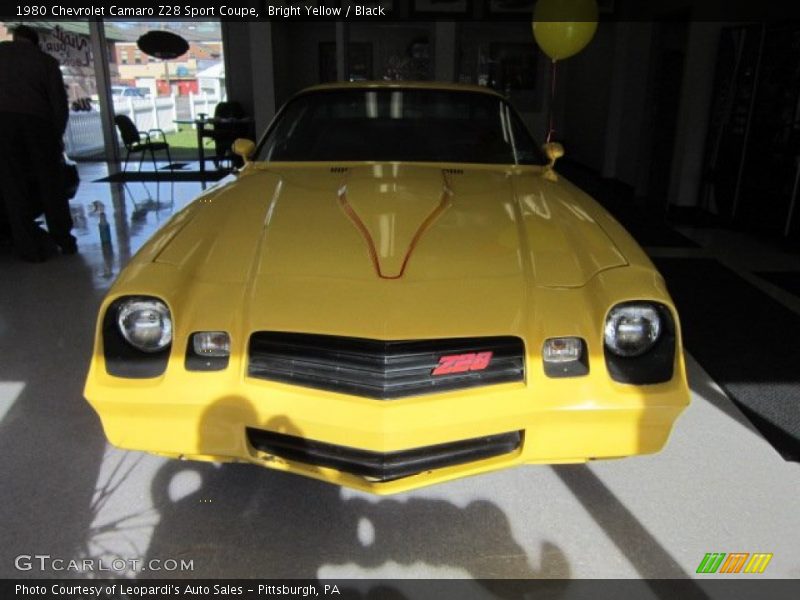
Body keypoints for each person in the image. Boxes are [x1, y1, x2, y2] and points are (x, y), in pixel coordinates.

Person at [0, 25, 76, 261]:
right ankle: (63, 238)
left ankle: (28, 247)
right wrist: (57, 137)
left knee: (12, 187)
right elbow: (58, 103)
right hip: (38, 125)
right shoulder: (45, 62)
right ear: (35, 42)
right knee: (50, 183)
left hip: (2, 126)